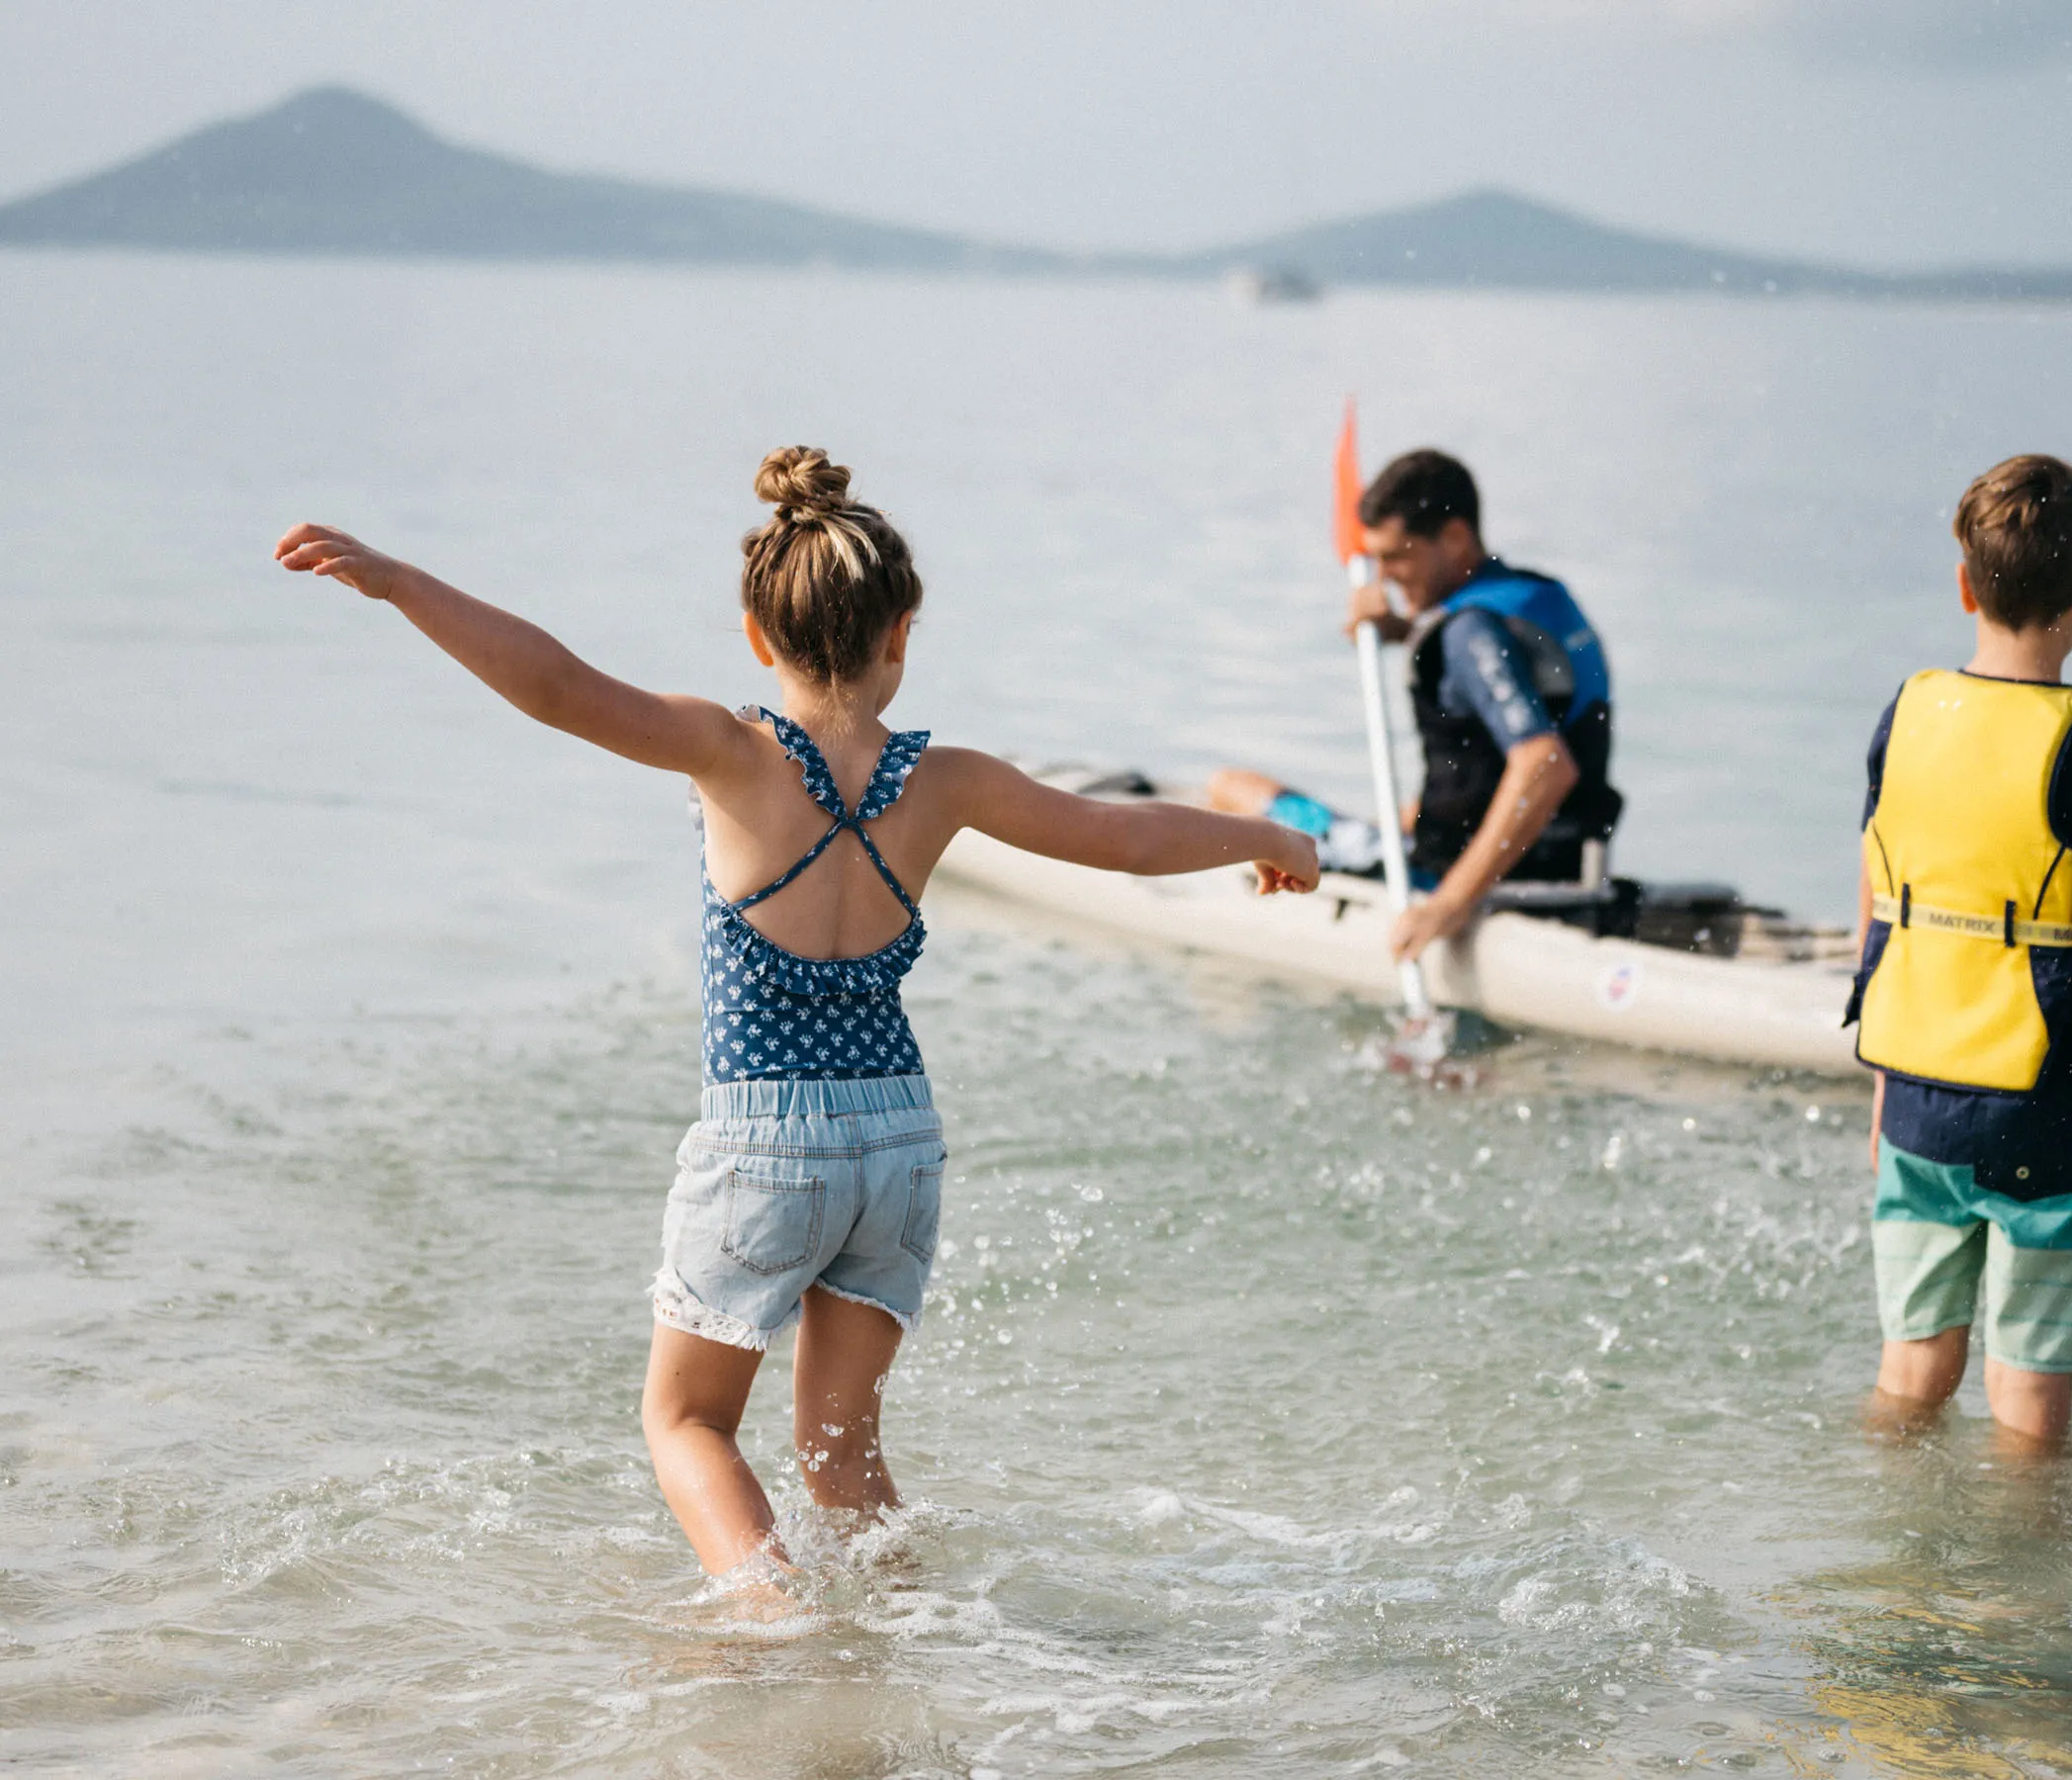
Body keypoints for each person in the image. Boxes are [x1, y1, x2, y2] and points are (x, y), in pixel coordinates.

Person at [274, 447, 1319, 1577]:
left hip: (768, 1141)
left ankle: (771, 1623)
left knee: (687, 1424)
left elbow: (559, 689)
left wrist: (400, 583)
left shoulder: (728, 753)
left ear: (757, 637)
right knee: (841, 1455)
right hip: (899, 1144)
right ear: (901, 636)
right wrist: (1268, 838)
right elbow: (1124, 840)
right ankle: (908, 1633)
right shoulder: (948, 780)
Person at [1846, 454, 2072, 1448]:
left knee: (1912, 1370)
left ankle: (1889, 1576)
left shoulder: (1906, 716)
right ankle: (2022, 1602)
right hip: (2041, 1116)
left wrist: (1882, 1086)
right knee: (2029, 1398)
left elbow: (1883, 912)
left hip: (1917, 1094)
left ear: (1965, 584)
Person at [1209, 448, 1620, 963]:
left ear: (1453, 538)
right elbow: (1498, 675)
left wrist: (1446, 905)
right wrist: (1402, 633)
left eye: (1394, 556)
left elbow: (1545, 765)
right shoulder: (1536, 598)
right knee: (1404, 814)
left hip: (1455, 875)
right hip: (1564, 860)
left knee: (1230, 788)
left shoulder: (1470, 630)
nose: (1382, 578)